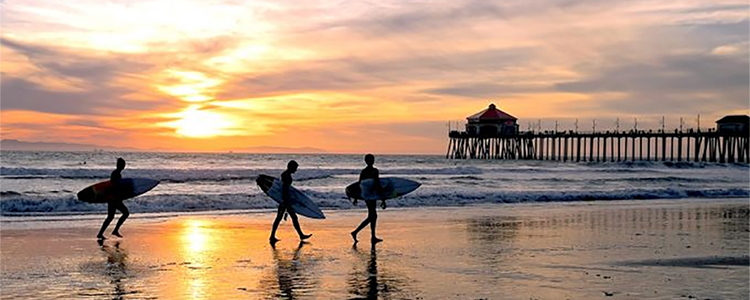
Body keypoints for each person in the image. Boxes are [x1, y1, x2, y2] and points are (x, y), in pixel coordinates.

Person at [269, 160, 312, 244]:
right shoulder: (286, 176)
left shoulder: (286, 174)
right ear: (291, 167)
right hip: (285, 200)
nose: (296, 169)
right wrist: (286, 202)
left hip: (285, 200)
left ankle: (300, 235)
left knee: (283, 218)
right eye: (295, 168)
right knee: (282, 218)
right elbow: (285, 189)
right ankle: (272, 236)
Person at [351, 154, 386, 244]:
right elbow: (361, 184)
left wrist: (382, 198)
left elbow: (372, 184)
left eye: (372, 159)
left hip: (371, 195)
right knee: (372, 216)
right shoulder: (371, 171)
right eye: (370, 160)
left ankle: (372, 236)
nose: (371, 161)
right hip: (368, 195)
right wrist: (383, 199)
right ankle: (356, 232)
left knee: (373, 216)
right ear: (366, 161)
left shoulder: (367, 171)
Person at [97, 158, 130, 240]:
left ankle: (101, 233)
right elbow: (115, 186)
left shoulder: (117, 173)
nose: (123, 166)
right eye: (122, 164)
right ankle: (114, 231)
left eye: (124, 164)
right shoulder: (116, 174)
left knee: (111, 216)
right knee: (125, 213)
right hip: (114, 199)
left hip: (113, 198)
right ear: (118, 165)